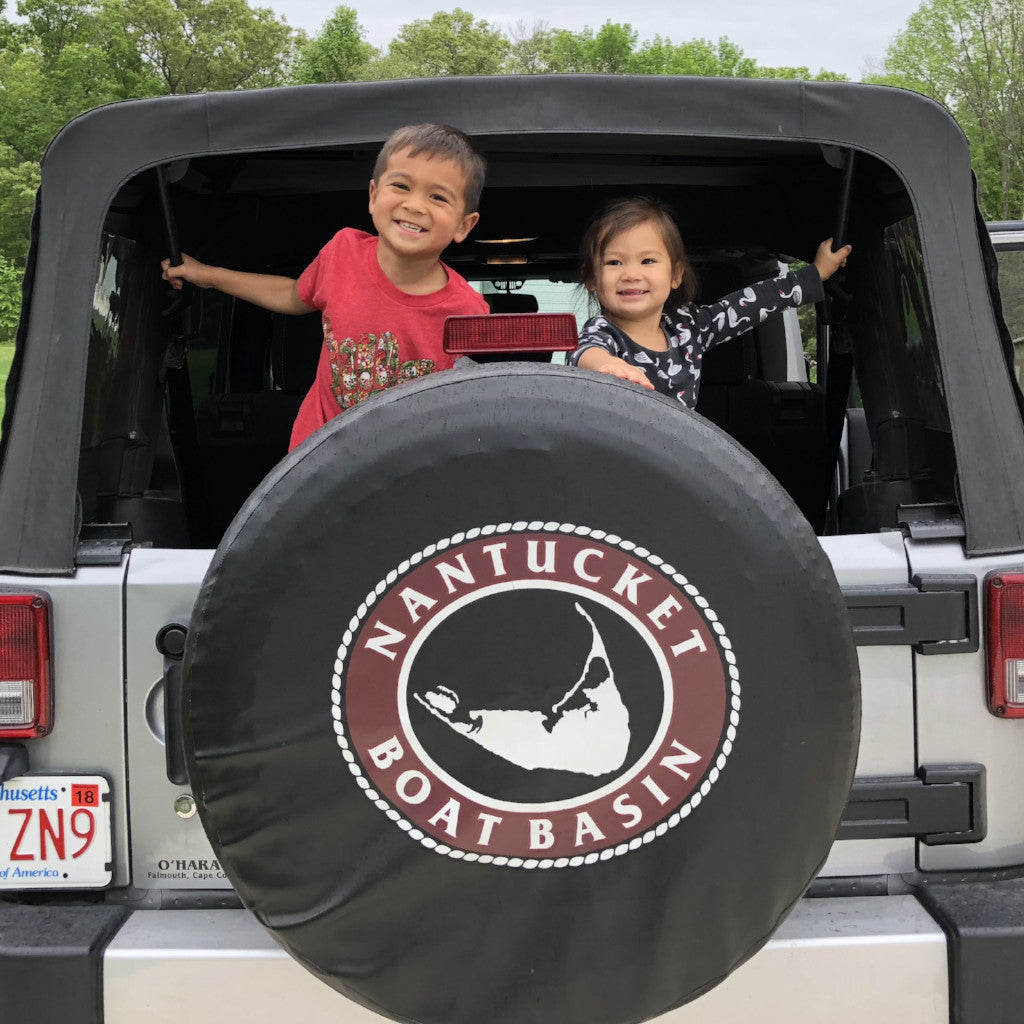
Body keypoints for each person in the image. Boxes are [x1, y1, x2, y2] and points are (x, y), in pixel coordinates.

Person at [162, 123, 488, 449]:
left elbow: (462, 409)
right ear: (373, 196)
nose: (415, 205)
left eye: (437, 196)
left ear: (463, 225)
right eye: (401, 185)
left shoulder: (467, 311)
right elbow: (293, 295)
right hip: (316, 462)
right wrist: (208, 275)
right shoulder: (343, 252)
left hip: (401, 471)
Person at [569, 196, 851, 406]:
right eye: (614, 262)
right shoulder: (603, 333)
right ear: (592, 279)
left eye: (648, 260)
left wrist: (816, 273)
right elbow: (585, 354)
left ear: (675, 275)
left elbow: (750, 304)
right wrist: (607, 366)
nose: (631, 274)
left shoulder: (687, 327)